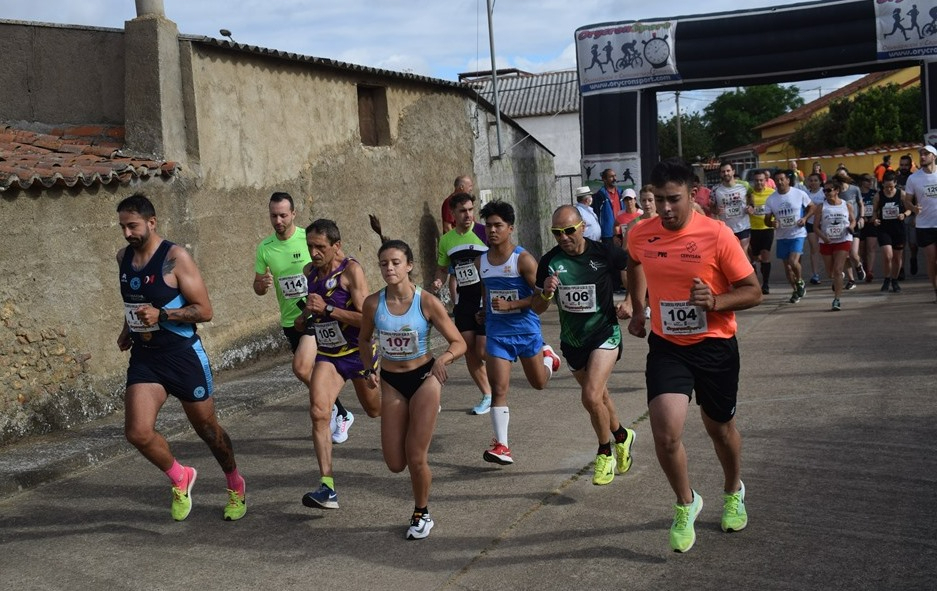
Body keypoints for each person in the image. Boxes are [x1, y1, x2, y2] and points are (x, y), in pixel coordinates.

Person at [626, 158, 762, 553]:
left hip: (715, 346)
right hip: (668, 346)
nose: (666, 208)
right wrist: (638, 308)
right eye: (659, 200)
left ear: (692, 195)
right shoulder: (641, 233)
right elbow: (633, 263)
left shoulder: (717, 235)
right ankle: (686, 503)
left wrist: (716, 301)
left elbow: (753, 290)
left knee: (720, 430)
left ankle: (733, 490)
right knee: (666, 433)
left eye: (674, 199)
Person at [116, 193, 246, 521]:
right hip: (146, 358)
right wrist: (127, 328)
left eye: (133, 226)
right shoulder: (123, 258)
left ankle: (235, 483)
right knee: (137, 432)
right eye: (122, 227)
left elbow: (205, 310)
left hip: (182, 356)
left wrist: (162, 315)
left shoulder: (175, 258)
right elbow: (135, 301)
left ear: (152, 222)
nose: (127, 233)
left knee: (207, 429)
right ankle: (180, 476)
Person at [359, 239, 467, 540]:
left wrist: (443, 359)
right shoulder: (373, 304)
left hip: (425, 378)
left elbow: (459, 342)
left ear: (409, 266)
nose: (389, 268)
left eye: (396, 262)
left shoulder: (426, 302)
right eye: (384, 264)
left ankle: (422, 512)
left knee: (416, 456)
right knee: (395, 463)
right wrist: (369, 368)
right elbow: (364, 340)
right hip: (392, 383)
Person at [534, 205, 637, 486]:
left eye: (569, 230)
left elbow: (633, 266)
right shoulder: (549, 261)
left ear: (582, 227)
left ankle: (604, 453)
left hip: (604, 333)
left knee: (590, 396)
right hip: (573, 341)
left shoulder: (603, 252)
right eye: (557, 233)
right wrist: (546, 293)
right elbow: (537, 307)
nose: (564, 237)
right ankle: (622, 435)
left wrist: (631, 301)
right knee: (600, 396)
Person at [253, 192, 353, 444]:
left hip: (315, 314)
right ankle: (340, 412)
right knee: (313, 371)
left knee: (301, 367)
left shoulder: (309, 240)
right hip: (290, 319)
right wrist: (261, 285)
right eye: (273, 216)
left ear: (293, 214)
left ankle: (332, 409)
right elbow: (258, 286)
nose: (278, 221)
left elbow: (340, 263)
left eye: (283, 215)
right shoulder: (265, 248)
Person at [296, 219, 381, 510]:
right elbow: (311, 315)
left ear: (337, 246)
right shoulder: (309, 272)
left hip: (358, 353)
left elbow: (368, 318)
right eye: (310, 246)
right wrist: (304, 317)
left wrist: (329, 308)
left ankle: (410, 399)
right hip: (329, 355)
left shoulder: (351, 271)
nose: (314, 253)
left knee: (375, 410)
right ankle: (327, 487)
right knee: (319, 413)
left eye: (320, 247)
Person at [476, 199, 561, 465]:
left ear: (510, 228)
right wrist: (484, 311)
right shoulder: (481, 261)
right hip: (497, 334)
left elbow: (540, 301)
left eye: (498, 225)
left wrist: (512, 304)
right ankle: (502, 446)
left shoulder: (522, 260)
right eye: (488, 225)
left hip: (525, 332)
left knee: (539, 383)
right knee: (498, 389)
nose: (492, 230)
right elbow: (487, 292)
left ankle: (549, 358)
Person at [432, 192, 492, 415]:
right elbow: (442, 267)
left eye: (470, 210)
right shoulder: (447, 240)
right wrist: (439, 280)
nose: (468, 215)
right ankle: (488, 395)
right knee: (468, 349)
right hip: (465, 300)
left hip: (486, 298)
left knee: (483, 350)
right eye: (462, 211)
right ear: (453, 214)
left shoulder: (484, 232)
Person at [763, 169, 815, 304]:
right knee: (788, 268)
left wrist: (805, 218)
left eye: (782, 179)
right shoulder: (771, 199)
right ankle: (796, 291)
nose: (780, 182)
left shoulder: (799, 193)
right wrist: (772, 223)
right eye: (777, 180)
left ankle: (800, 281)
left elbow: (812, 207)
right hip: (782, 236)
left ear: (788, 180)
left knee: (793, 262)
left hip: (797, 234)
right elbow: (766, 220)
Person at [815, 177, 857, 311]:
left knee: (838, 269)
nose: (826, 193)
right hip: (826, 242)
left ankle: (836, 299)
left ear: (837, 190)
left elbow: (853, 220)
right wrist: (823, 237)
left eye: (829, 190)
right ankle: (839, 277)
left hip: (843, 240)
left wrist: (851, 227)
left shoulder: (846, 205)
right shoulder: (821, 207)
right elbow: (815, 227)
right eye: (824, 190)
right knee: (831, 273)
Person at [903, 144, 937, 302]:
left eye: (926, 154)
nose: (922, 157)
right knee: (932, 260)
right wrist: (913, 208)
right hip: (924, 225)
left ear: (934, 156)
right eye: (921, 154)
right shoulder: (914, 178)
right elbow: (907, 201)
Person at [872, 170, 911, 292]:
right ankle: (886, 279)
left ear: (895, 183)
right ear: (883, 184)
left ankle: (895, 280)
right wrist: (875, 219)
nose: (889, 189)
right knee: (888, 255)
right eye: (886, 186)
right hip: (884, 229)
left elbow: (909, 209)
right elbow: (874, 211)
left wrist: (904, 215)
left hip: (898, 229)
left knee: (897, 257)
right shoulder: (878, 196)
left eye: (891, 186)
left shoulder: (901, 194)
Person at [711, 161, 753, 254]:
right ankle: (751, 262)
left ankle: (749, 262)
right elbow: (711, 207)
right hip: (727, 228)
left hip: (743, 226)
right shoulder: (715, 189)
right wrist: (716, 211)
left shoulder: (744, 185)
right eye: (723, 172)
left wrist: (751, 206)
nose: (726, 173)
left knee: (742, 252)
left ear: (733, 171)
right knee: (732, 254)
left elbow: (751, 196)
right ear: (720, 174)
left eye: (728, 171)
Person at [835, 171, 867, 288]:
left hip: (855, 224)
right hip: (842, 226)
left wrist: (862, 217)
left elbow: (861, 204)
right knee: (845, 255)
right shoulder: (836, 192)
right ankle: (851, 280)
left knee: (853, 254)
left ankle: (858, 265)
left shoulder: (854, 189)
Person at [748, 169, 775, 294]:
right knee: (754, 257)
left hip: (767, 228)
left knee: (765, 255)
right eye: (756, 180)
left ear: (766, 180)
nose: (759, 183)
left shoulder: (772, 193)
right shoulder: (749, 194)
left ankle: (765, 284)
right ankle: (755, 282)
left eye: (761, 180)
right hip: (753, 229)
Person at [804, 173, 827, 284]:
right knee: (814, 249)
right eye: (811, 180)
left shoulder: (824, 192)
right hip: (811, 223)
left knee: (827, 248)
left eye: (815, 180)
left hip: (824, 224)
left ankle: (834, 271)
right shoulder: (806, 194)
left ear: (820, 182)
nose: (813, 182)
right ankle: (815, 274)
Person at [857, 174, 879, 283]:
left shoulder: (875, 193)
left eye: (871, 180)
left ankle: (870, 271)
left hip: (872, 223)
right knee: (862, 249)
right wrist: (861, 217)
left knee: (871, 247)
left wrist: (875, 217)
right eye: (867, 180)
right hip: (861, 223)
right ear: (861, 181)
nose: (870, 182)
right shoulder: (857, 193)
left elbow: (879, 207)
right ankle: (865, 263)